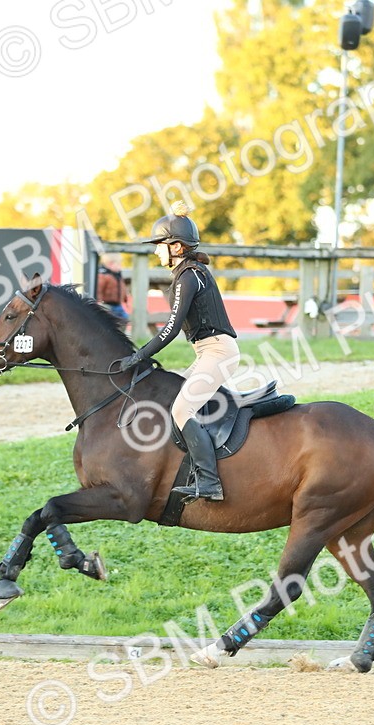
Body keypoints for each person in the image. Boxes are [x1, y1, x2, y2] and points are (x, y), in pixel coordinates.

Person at [117, 201, 239, 502]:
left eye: (160, 244)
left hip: (218, 352)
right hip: (207, 352)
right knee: (176, 399)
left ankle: (210, 482)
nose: (157, 250)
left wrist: (138, 356)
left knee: (183, 409)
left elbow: (171, 329)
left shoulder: (188, 275)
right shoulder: (186, 273)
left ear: (177, 246)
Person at [96, 254, 130, 322]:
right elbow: (99, 290)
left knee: (125, 319)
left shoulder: (117, 275)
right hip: (107, 304)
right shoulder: (104, 275)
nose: (121, 267)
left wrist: (125, 299)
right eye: (119, 264)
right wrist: (99, 301)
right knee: (110, 321)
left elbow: (122, 287)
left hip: (118, 305)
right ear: (110, 264)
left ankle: (119, 331)